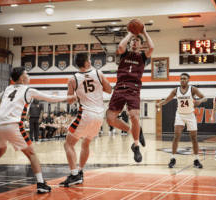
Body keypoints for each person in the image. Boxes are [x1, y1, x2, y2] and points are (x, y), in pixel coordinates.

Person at [0, 66, 77, 194]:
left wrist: (6, 113)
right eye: (27, 74)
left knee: (0, 151)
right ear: (22, 78)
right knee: (32, 154)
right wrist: (70, 97)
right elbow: (50, 98)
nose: (29, 76)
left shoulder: (7, 88)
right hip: (13, 125)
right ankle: (40, 183)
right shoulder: (28, 90)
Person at [59, 52, 112, 187]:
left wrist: (78, 95)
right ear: (87, 63)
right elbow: (109, 90)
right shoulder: (99, 73)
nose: (91, 61)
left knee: (68, 144)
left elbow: (70, 101)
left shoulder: (72, 79)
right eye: (90, 59)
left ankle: (74, 174)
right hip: (99, 116)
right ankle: (80, 172)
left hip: (85, 114)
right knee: (85, 143)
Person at [106, 23, 154, 163]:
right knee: (110, 119)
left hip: (133, 88)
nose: (134, 42)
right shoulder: (124, 53)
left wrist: (144, 32)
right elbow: (120, 47)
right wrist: (131, 34)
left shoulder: (143, 57)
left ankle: (136, 146)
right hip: (120, 87)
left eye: (137, 41)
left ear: (140, 45)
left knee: (134, 115)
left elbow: (151, 47)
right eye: (133, 41)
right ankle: (135, 131)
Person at [156, 73, 207, 169]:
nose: (182, 80)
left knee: (194, 138)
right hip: (180, 115)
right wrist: (159, 103)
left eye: (184, 78)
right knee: (176, 135)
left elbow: (205, 98)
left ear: (188, 80)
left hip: (190, 115)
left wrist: (200, 101)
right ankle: (173, 158)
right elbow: (167, 100)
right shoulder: (176, 90)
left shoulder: (192, 89)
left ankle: (196, 160)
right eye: (181, 79)